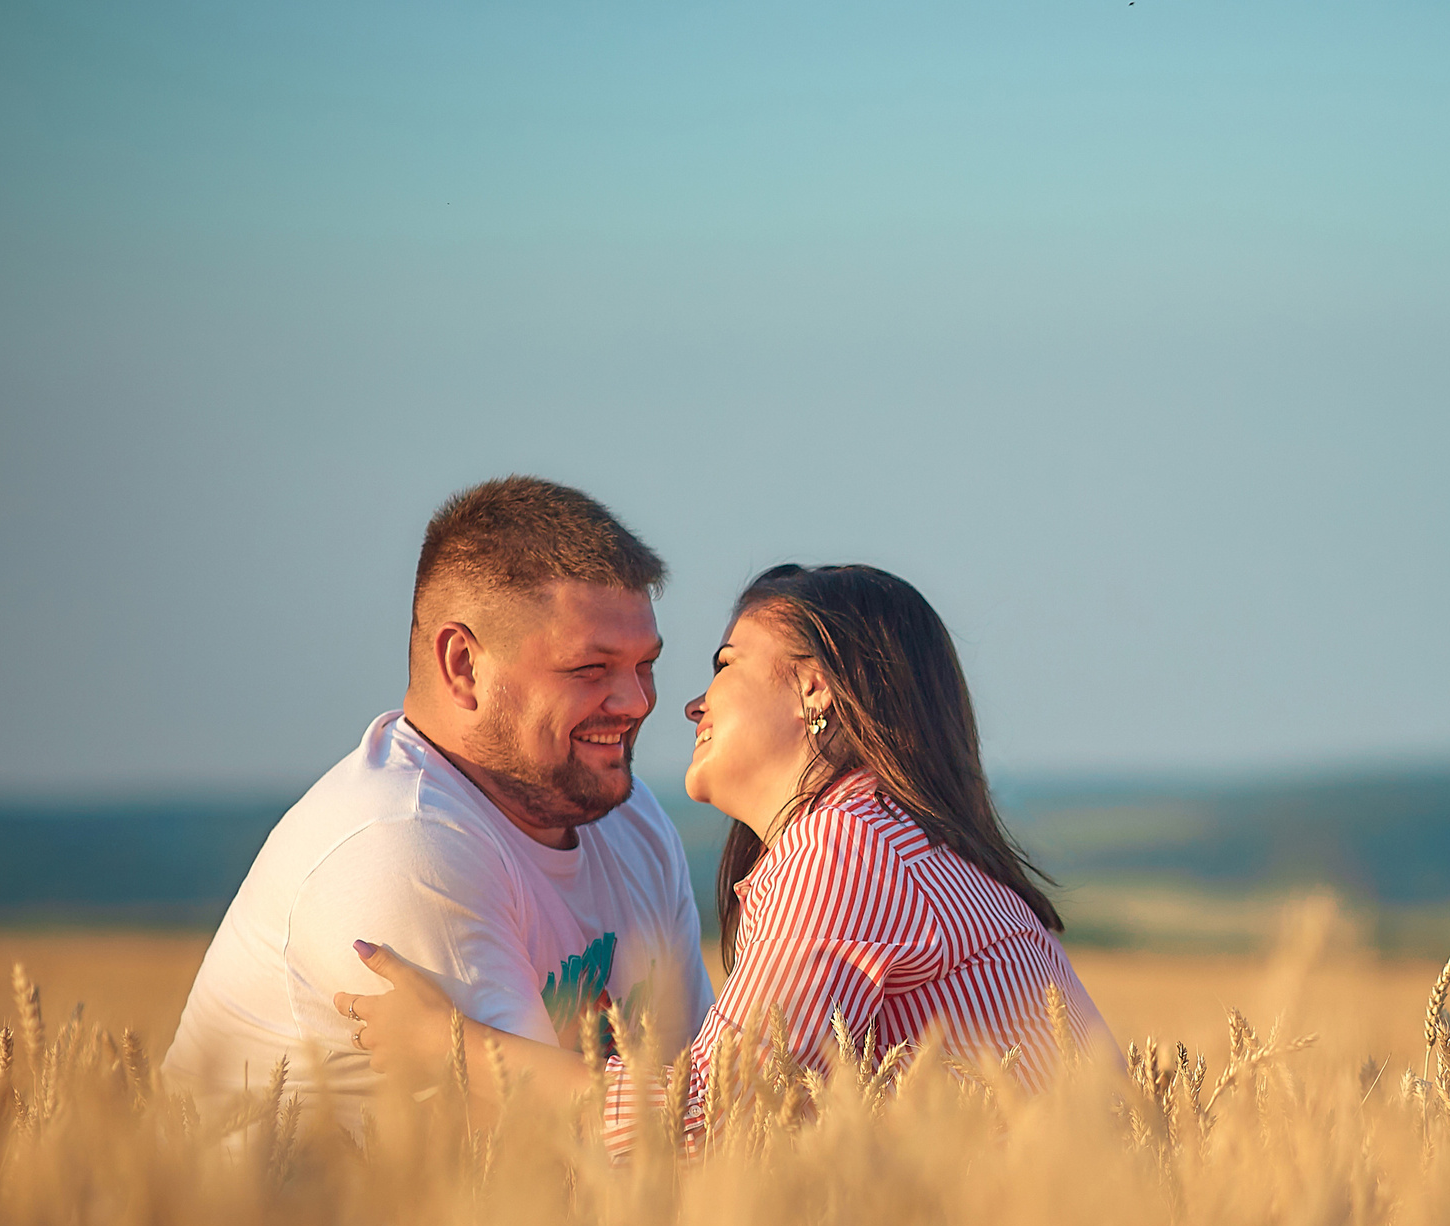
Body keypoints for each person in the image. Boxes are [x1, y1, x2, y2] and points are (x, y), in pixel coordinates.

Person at [340, 563, 1110, 1156]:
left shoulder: (846, 849)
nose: (688, 703)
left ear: (816, 688)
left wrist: (449, 1048)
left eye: (724, 663)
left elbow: (694, 1130)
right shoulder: (896, 839)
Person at [163, 476, 713, 1133]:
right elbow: (559, 1151)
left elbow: (708, 1103)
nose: (636, 700)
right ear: (463, 665)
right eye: (591, 670)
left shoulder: (635, 821)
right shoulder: (401, 845)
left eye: (644, 664)